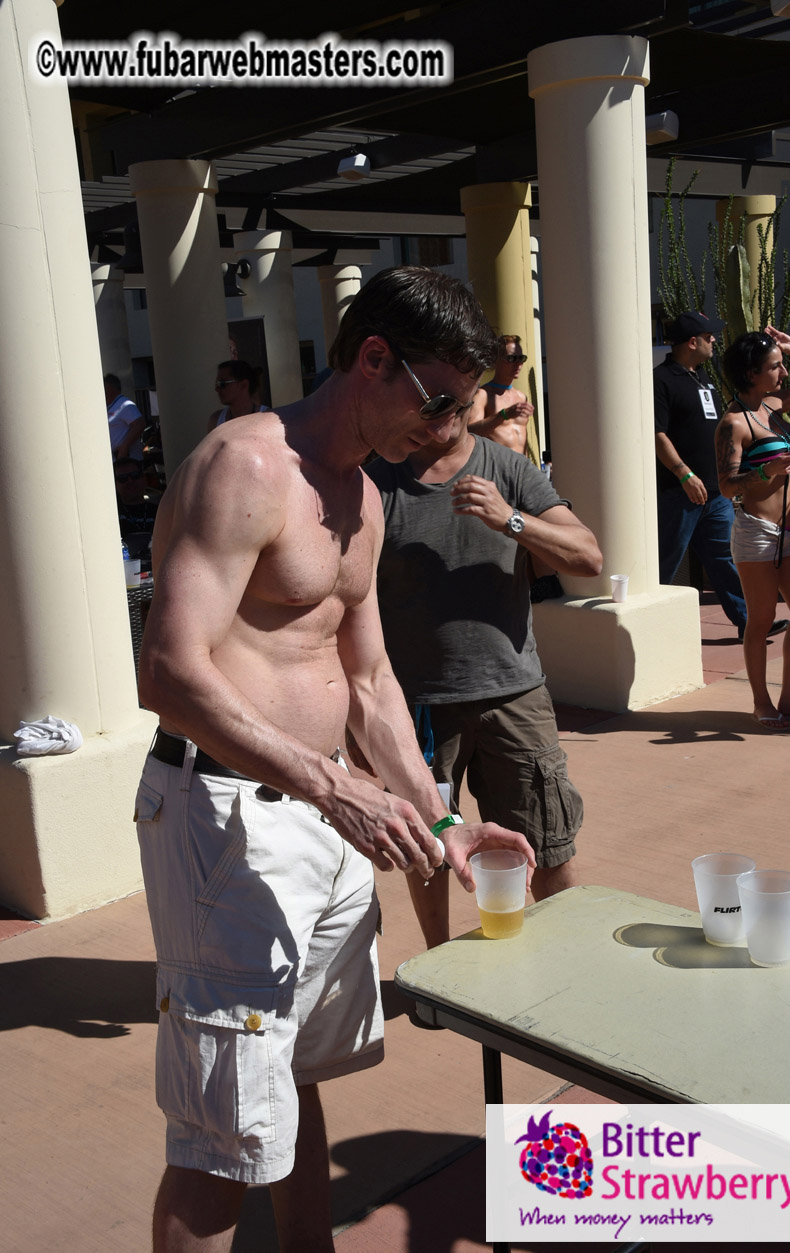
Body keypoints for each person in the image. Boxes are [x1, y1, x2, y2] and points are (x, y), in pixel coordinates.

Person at [135, 266, 535, 1252]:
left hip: (320, 824)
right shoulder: (246, 466)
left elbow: (370, 685)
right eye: (438, 403)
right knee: (222, 1138)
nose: (445, 434)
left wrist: (440, 820)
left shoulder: (363, 496)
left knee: (296, 1084)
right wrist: (326, 781)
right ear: (371, 359)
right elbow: (169, 671)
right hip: (229, 823)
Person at [366, 409, 602, 949]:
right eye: (429, 400)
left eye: (456, 397)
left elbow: (587, 556)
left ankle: (573, 959)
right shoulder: (376, 483)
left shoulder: (510, 470)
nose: (441, 413)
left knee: (547, 841)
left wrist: (510, 519)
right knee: (429, 849)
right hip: (419, 708)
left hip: (515, 696)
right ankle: (438, 969)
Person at [715, 327, 790, 730]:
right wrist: (764, 471)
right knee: (761, 620)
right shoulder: (734, 424)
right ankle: (762, 701)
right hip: (756, 531)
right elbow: (727, 484)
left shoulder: (773, 406)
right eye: (774, 366)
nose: (782, 373)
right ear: (751, 373)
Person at [654, 311, 788, 642]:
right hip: (679, 492)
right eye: (709, 335)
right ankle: (648, 629)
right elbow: (656, 433)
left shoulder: (705, 378)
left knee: (725, 558)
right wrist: (684, 474)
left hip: (715, 493)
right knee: (664, 562)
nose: (714, 339)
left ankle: (750, 622)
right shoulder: (662, 380)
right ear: (692, 342)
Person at [467, 333, 534, 456]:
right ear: (495, 361)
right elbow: (470, 432)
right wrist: (503, 415)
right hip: (496, 469)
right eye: (511, 358)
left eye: (521, 358)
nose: (518, 364)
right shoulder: (483, 395)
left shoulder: (521, 396)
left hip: (521, 469)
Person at [206, 359, 270, 432]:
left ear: (244, 385)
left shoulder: (267, 417)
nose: (217, 389)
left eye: (222, 383)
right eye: (217, 383)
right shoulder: (215, 421)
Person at [104, 373, 145, 461]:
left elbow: (140, 425)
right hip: (117, 460)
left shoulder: (125, 404)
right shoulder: (110, 406)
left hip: (127, 461)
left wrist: (124, 447)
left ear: (110, 388)